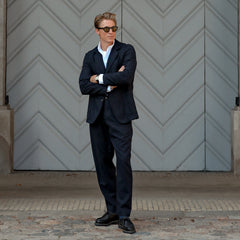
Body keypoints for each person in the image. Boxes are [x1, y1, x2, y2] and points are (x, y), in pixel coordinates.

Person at [79, 12, 138, 234]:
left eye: (113, 28)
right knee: (103, 165)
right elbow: (84, 85)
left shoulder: (126, 51)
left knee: (123, 163)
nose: (111, 32)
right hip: (97, 116)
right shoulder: (89, 56)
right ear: (97, 31)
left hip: (120, 116)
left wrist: (100, 78)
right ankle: (112, 210)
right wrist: (109, 84)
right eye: (106, 29)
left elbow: (126, 77)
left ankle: (124, 215)